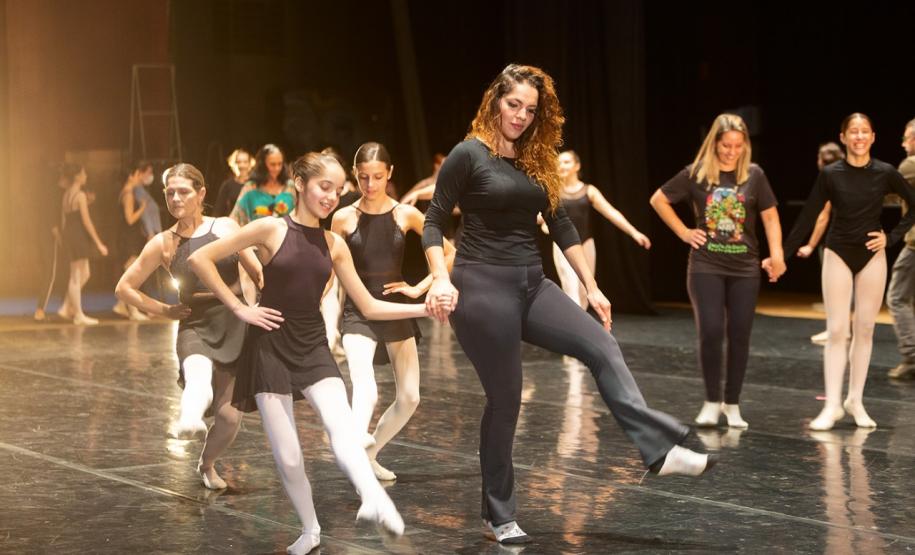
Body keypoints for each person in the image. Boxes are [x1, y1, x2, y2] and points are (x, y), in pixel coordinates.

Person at [422, 64, 715, 545]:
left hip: (532, 283)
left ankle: (659, 450)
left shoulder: (538, 158)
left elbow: (562, 227)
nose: (520, 115)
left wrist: (593, 286)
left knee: (601, 345)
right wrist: (438, 277)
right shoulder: (467, 154)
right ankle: (499, 514)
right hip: (480, 286)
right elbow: (433, 221)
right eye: (513, 104)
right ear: (495, 100)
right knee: (506, 400)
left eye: (531, 109)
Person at [189, 151, 426, 553]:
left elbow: (368, 306)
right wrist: (240, 308)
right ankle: (310, 529)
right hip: (269, 347)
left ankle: (373, 498)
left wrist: (425, 307)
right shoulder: (269, 228)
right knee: (290, 455)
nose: (332, 196)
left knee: (342, 427)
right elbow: (200, 257)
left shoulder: (334, 243)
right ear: (300, 183)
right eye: (324, 186)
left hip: (312, 343)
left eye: (337, 189)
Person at [115, 163, 260, 489]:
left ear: (201, 193)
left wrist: (263, 304)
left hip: (234, 321)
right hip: (194, 322)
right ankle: (189, 418)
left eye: (184, 191)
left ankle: (206, 464)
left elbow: (255, 268)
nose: (176, 198)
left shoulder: (224, 227)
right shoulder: (164, 242)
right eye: (170, 193)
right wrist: (164, 310)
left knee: (229, 417)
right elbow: (124, 287)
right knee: (198, 377)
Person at [650, 113, 785, 430]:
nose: (731, 151)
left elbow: (770, 217)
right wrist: (684, 232)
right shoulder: (696, 174)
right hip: (706, 265)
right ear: (715, 143)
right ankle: (711, 402)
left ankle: (732, 403)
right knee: (711, 330)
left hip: (744, 267)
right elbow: (658, 199)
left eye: (738, 146)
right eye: (726, 145)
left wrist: (777, 254)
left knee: (739, 335)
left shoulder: (754, 175)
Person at [783, 113, 915, 430]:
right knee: (838, 330)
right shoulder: (831, 174)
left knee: (865, 330)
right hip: (838, 252)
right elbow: (809, 214)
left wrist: (892, 237)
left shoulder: (885, 172)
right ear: (843, 137)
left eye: (864, 131)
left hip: (872, 254)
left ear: (873, 137)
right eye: (853, 131)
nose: (858, 136)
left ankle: (855, 400)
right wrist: (783, 254)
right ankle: (831, 405)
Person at [332, 141, 455, 481]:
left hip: (397, 307)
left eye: (377, 177)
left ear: (390, 174)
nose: (370, 185)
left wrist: (419, 287)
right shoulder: (343, 218)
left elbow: (448, 253)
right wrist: (324, 314)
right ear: (354, 177)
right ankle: (358, 436)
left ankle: (368, 454)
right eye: (362, 178)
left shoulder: (406, 214)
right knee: (364, 383)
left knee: (410, 397)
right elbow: (331, 272)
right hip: (358, 310)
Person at [547, 150, 651, 309]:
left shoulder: (589, 191)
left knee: (584, 292)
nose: (561, 166)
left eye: (566, 162)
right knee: (571, 289)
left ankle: (577, 328)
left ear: (577, 166)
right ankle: (576, 330)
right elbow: (541, 216)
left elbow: (611, 212)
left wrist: (634, 232)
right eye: (559, 162)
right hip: (563, 247)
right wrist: (544, 223)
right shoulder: (554, 192)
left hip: (586, 244)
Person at [798, 142, 846, 345]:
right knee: (846, 289)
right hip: (854, 240)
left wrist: (810, 244)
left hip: (835, 241)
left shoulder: (828, 180)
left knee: (833, 288)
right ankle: (845, 330)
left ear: (822, 160)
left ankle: (835, 331)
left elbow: (823, 216)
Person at [58, 163, 109, 325]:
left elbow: (66, 218)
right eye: (84, 173)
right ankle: (78, 314)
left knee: (85, 273)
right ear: (78, 176)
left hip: (71, 234)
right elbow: (86, 221)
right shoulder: (79, 195)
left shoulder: (66, 194)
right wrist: (99, 243)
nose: (86, 176)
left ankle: (66, 306)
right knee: (75, 275)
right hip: (77, 236)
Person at [885, 118, 915, 379]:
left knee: (897, 297)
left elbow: (888, 192)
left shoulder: (910, 164)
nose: (903, 143)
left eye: (906, 138)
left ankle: (911, 355)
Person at [114, 161, 155, 321]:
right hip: (128, 238)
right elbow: (130, 219)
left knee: (130, 272)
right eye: (138, 174)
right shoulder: (129, 192)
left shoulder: (126, 191)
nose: (140, 177)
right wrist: (142, 208)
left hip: (128, 237)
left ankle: (121, 306)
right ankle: (133, 311)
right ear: (132, 176)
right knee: (131, 274)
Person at [230, 144, 296, 225]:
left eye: (280, 164)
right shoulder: (250, 188)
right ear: (263, 165)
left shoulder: (290, 187)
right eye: (273, 164)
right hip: (256, 237)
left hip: (287, 237)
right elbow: (236, 217)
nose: (277, 168)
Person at [213, 148, 253, 217]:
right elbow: (218, 210)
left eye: (245, 162)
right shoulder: (227, 185)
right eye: (239, 162)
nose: (242, 165)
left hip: (253, 225)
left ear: (250, 164)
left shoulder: (256, 185)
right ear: (235, 164)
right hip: (232, 225)